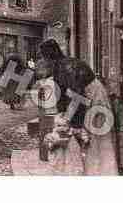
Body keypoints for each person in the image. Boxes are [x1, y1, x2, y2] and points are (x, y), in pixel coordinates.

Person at [38, 39, 118, 175]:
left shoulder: (66, 67)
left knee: (96, 139)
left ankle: (103, 173)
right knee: (86, 139)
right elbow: (63, 95)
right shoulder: (58, 67)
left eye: (42, 58)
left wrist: (74, 125)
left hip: (94, 98)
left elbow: (78, 97)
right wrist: (62, 116)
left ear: (49, 57)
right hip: (85, 97)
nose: (41, 62)